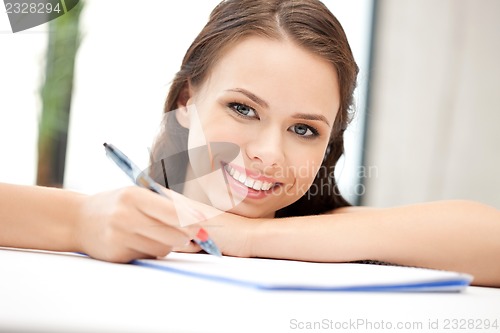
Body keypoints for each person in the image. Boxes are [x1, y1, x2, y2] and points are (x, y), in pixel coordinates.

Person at [0, 0, 499, 288]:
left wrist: (241, 237)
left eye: (305, 130)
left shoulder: (329, 235)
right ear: (186, 102)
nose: (270, 154)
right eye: (243, 109)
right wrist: (80, 222)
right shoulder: (113, 219)